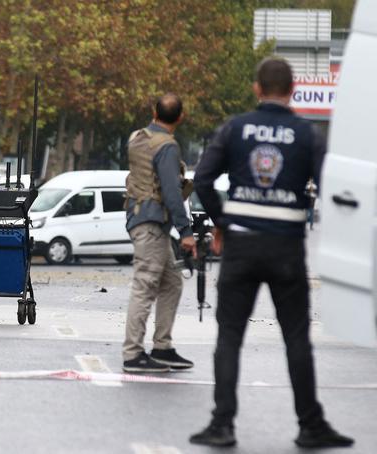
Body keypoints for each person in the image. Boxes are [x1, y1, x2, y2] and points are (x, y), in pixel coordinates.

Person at [190, 57, 353, 448]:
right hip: (286, 249)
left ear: (257, 89)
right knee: (296, 337)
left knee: (230, 336)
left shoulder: (235, 128)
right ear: (293, 90)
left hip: (241, 246)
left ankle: (222, 424)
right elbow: (332, 185)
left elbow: (204, 179)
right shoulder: (307, 134)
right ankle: (310, 425)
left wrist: (223, 223)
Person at [122, 93, 196, 373]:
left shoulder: (136, 137)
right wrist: (186, 231)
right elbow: (171, 191)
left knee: (172, 282)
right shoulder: (167, 146)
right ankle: (132, 354)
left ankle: (162, 347)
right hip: (152, 225)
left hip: (142, 219)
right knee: (145, 286)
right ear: (180, 118)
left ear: (154, 112)